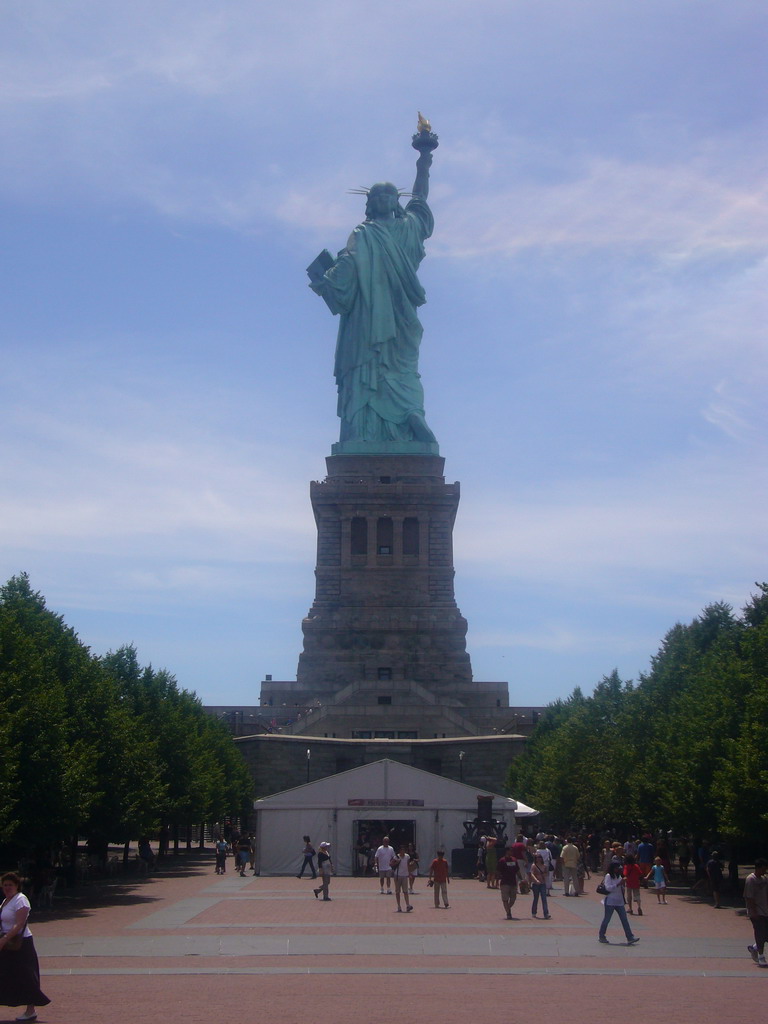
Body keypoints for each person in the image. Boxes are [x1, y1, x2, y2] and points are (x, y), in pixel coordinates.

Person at [308, 134, 438, 448]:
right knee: (368, 367)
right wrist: (329, 279)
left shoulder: (409, 229)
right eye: (378, 196)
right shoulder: (363, 234)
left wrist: (424, 158)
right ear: (370, 203)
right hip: (367, 318)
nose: (383, 199)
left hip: (399, 315)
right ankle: (364, 433)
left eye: (389, 195)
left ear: (397, 202)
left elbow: (420, 197)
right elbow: (348, 270)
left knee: (403, 368)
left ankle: (410, 414)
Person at [0, 871, 51, 1021]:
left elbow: (19, 924)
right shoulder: (5, 901)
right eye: (5, 885)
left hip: (21, 944)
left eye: (10, 885)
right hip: (7, 943)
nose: (7, 887)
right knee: (6, 975)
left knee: (26, 976)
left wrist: (4, 939)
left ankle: (31, 1010)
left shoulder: (21, 900)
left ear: (17, 885)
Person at [598, 862, 639, 945]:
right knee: (607, 919)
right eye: (617, 868)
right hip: (610, 901)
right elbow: (608, 888)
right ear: (613, 868)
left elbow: (621, 888)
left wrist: (623, 885)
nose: (618, 870)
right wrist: (618, 884)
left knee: (624, 919)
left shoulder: (619, 876)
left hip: (619, 901)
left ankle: (630, 937)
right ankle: (601, 936)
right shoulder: (608, 876)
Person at [745, 858, 768, 968]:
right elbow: (749, 897)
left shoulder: (764, 879)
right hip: (756, 911)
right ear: (758, 868)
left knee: (765, 934)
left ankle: (754, 948)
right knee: (760, 933)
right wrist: (753, 911)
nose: (765, 871)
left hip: (765, 909)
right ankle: (761, 956)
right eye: (763, 869)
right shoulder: (751, 879)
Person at [496, 847, 520, 920]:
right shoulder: (502, 860)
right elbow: (498, 871)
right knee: (505, 898)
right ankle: (508, 913)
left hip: (513, 882)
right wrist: (497, 881)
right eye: (510, 851)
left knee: (513, 899)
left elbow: (517, 870)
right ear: (507, 851)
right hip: (505, 882)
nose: (512, 852)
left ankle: (507, 908)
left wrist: (522, 879)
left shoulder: (514, 860)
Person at [390, 845, 413, 913]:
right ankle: (399, 906)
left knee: (405, 891)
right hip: (397, 875)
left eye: (404, 850)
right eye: (401, 850)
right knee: (397, 891)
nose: (403, 851)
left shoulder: (407, 856)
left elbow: (408, 865)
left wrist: (409, 873)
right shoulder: (396, 857)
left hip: (405, 875)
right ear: (399, 850)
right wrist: (396, 862)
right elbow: (391, 864)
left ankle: (407, 905)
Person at [530, 853, 551, 919]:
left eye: (540, 857)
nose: (539, 859)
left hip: (543, 884)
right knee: (536, 898)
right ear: (535, 859)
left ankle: (546, 913)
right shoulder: (534, 866)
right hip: (536, 884)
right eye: (537, 857)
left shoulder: (544, 866)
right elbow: (532, 874)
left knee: (544, 899)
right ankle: (534, 912)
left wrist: (544, 875)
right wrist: (536, 880)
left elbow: (547, 874)